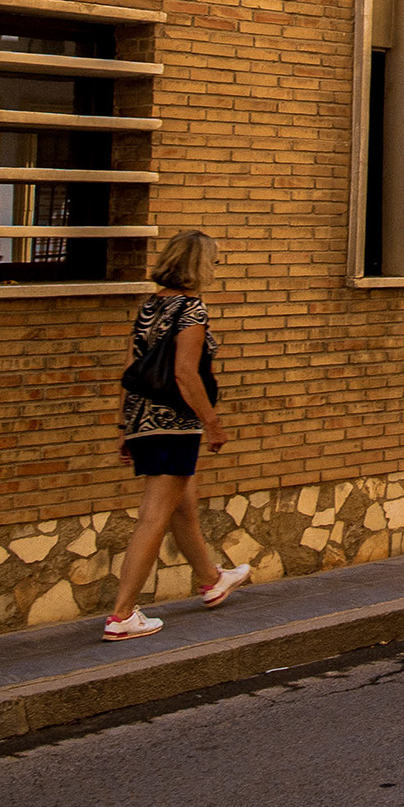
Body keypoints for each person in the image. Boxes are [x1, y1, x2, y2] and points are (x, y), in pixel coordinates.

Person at [104, 228, 251, 639]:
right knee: (154, 516)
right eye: (215, 260)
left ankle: (211, 580)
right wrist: (213, 423)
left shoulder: (150, 305)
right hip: (173, 423)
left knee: (181, 503)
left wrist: (123, 427)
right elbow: (186, 374)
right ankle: (122, 615)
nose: (217, 267)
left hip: (141, 418)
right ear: (199, 264)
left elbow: (131, 370)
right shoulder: (192, 310)